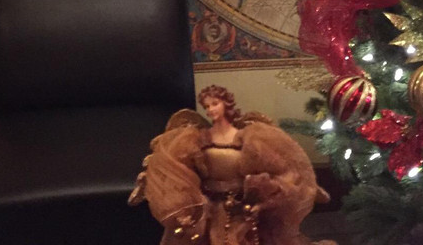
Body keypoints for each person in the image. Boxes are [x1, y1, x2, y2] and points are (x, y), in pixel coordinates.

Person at [132, 85, 334, 245]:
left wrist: (262, 196)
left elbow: (282, 169)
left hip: (242, 208)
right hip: (210, 208)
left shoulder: (253, 137)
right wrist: (185, 205)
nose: (211, 109)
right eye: (207, 106)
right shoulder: (195, 138)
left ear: (226, 104)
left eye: (215, 104)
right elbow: (178, 170)